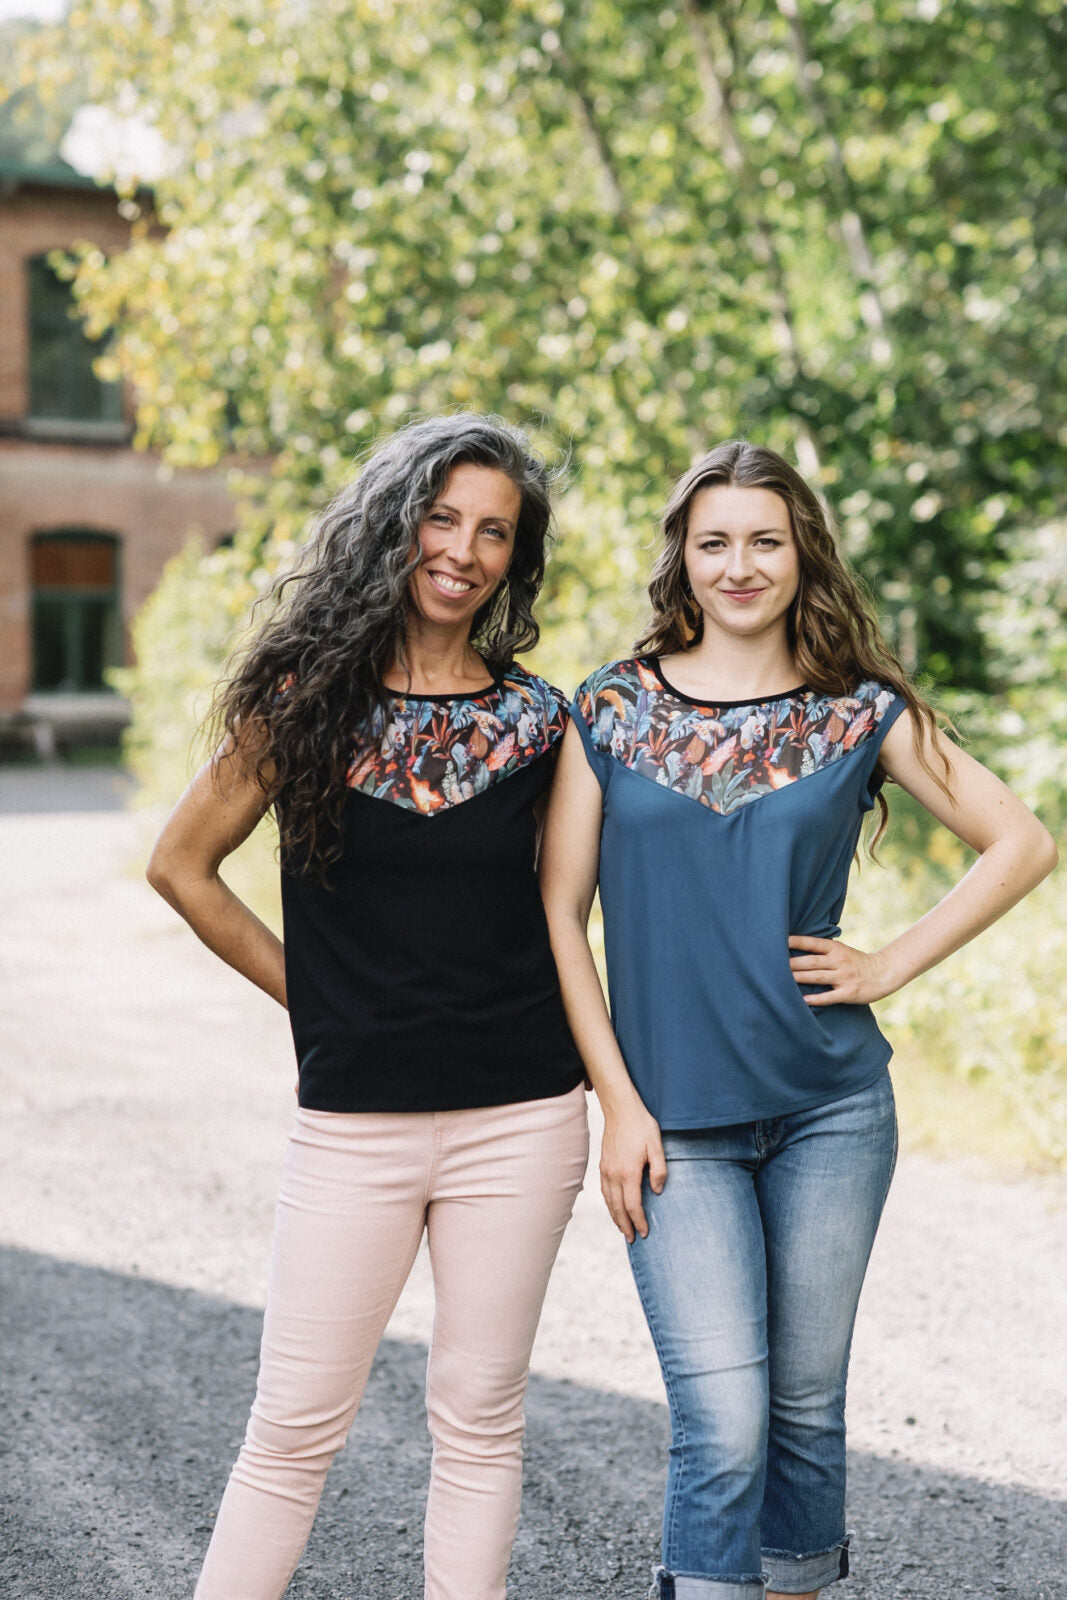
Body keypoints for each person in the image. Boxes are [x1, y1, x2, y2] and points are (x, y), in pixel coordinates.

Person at [539, 439, 1057, 1600]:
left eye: (763, 541)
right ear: (681, 556)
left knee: (804, 1411)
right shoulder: (609, 707)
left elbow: (1020, 841)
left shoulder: (858, 710)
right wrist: (617, 1103)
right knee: (722, 1418)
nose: (739, 565)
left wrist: (888, 964)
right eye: (713, 541)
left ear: (801, 553)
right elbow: (560, 916)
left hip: (831, 1110)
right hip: (672, 1121)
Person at [146, 414, 588, 1600]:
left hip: (523, 1117)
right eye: (442, 518)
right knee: (292, 1427)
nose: (463, 550)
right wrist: (318, 998)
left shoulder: (542, 723)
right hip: (354, 1121)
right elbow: (182, 866)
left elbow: (574, 910)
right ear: (395, 524)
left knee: (479, 1420)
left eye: (494, 531)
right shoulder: (303, 703)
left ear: (515, 557)